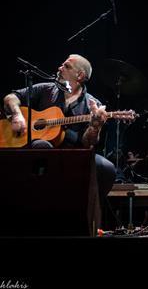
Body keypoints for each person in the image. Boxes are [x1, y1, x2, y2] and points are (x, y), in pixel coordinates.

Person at [3, 54, 116, 228]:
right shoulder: (46, 89)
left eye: (66, 66)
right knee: (42, 146)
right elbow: (11, 98)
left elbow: (88, 143)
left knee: (106, 168)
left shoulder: (92, 104)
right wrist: (18, 115)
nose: (59, 68)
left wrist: (95, 126)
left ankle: (86, 218)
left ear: (80, 76)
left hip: (73, 154)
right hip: (38, 148)